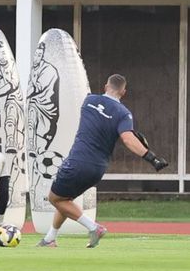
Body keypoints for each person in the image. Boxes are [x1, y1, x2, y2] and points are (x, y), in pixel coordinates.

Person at [37, 74, 168, 248]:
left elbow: (120, 132)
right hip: (98, 168)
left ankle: (94, 227)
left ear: (106, 86)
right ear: (124, 92)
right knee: (65, 199)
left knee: (55, 198)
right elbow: (128, 139)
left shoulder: (89, 100)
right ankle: (49, 239)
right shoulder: (124, 113)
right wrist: (153, 159)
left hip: (78, 161)